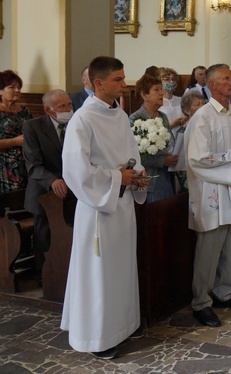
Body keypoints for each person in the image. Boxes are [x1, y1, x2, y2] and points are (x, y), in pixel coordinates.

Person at [61, 56, 147, 360]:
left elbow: (132, 155)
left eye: (124, 79)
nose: (125, 85)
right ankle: (97, 336)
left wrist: (137, 176)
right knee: (99, 274)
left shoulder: (120, 116)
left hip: (122, 206)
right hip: (98, 209)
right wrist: (115, 178)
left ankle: (122, 324)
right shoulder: (82, 120)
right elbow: (75, 172)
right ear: (99, 83)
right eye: (118, 80)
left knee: (121, 270)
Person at [185, 64, 231, 328]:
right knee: (209, 248)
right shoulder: (202, 117)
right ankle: (201, 302)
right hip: (212, 192)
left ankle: (225, 292)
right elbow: (197, 159)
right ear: (212, 84)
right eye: (226, 78)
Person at [22, 90, 72, 273]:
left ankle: (67, 273)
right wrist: (53, 180)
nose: (68, 109)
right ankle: (44, 275)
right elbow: (33, 165)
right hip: (43, 191)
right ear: (48, 110)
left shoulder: (75, 124)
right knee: (44, 234)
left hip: (72, 191)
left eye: (69, 105)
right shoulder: (33, 127)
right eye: (62, 107)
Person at [129, 74, 178, 203]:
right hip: (149, 176)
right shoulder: (135, 119)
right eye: (156, 90)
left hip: (168, 174)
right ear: (144, 95)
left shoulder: (163, 116)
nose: (161, 93)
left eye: (161, 89)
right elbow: (135, 154)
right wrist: (163, 161)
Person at [0, 70, 33, 193]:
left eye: (19, 87)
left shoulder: (24, 111)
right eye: (11, 87)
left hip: (25, 162)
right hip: (3, 165)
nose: (17, 90)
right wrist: (14, 141)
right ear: (0, 91)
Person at [158, 67, 187, 131]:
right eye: (167, 79)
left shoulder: (181, 100)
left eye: (173, 79)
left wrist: (185, 119)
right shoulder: (158, 101)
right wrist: (172, 124)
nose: (171, 82)